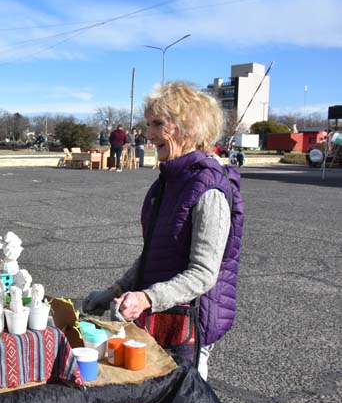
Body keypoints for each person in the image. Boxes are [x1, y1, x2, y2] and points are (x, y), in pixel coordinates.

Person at [82, 82, 244, 380]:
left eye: (158, 124)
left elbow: (203, 273)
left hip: (189, 324)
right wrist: (115, 290)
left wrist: (145, 298)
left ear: (188, 126)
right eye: (148, 124)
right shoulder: (168, 181)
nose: (149, 133)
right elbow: (154, 252)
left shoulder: (209, 188)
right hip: (161, 314)